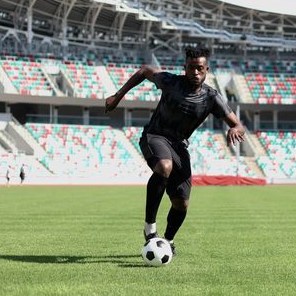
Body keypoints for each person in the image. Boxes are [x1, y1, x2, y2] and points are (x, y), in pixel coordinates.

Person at [105, 46, 245, 256]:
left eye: (199, 68)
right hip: (155, 136)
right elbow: (145, 71)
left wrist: (235, 128)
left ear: (207, 69)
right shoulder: (170, 82)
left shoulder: (212, 98)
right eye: (191, 68)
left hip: (179, 145)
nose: (195, 73)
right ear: (185, 68)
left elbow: (237, 124)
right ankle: (149, 227)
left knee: (182, 203)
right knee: (164, 166)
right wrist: (117, 96)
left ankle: (167, 242)